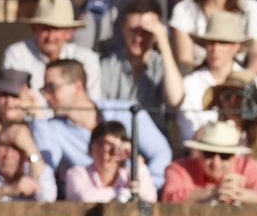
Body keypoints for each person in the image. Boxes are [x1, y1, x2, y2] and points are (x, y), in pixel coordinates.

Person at [37, 58, 174, 187]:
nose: (46, 95)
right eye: (44, 90)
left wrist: (146, 188)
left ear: (78, 85)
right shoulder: (52, 129)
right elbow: (44, 172)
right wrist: (37, 118)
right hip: (88, 201)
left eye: (51, 88)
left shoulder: (126, 112)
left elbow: (161, 153)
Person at [98, 0, 186, 122]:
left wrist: (164, 43)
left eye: (146, 32)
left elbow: (176, 100)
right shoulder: (107, 65)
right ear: (123, 29)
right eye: (134, 31)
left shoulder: (163, 65)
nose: (138, 38)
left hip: (154, 133)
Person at [180, 10, 257, 140]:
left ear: (236, 46)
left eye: (223, 42)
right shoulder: (189, 84)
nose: (215, 48)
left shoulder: (252, 81)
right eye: (211, 42)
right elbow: (188, 136)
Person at [160, 118, 257, 203]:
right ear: (199, 152)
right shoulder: (178, 169)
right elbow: (169, 197)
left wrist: (239, 194)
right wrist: (213, 192)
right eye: (209, 154)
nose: (216, 162)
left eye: (224, 155)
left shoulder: (248, 166)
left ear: (235, 156)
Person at [0, 0, 101, 90]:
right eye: (45, 29)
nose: (51, 37)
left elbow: (91, 99)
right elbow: (12, 97)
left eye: (56, 29)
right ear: (34, 29)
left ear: (69, 32)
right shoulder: (18, 54)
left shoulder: (86, 59)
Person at [63, 120, 159, 202]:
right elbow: (83, 198)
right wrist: (123, 193)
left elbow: (150, 197)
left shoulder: (128, 175)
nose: (105, 151)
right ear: (91, 147)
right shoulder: (77, 173)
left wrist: (136, 160)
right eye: (100, 144)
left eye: (113, 146)